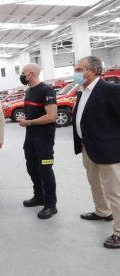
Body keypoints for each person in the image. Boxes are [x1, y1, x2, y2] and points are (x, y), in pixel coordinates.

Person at [72, 56, 120, 249]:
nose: (75, 73)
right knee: (95, 183)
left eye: (79, 69)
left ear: (92, 71)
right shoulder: (82, 92)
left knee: (114, 191)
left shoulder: (110, 90)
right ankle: (102, 211)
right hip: (88, 147)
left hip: (109, 149)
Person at [18, 63, 58, 219]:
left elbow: (51, 116)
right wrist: (26, 119)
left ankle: (50, 205)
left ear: (31, 74)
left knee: (45, 169)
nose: (21, 76)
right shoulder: (29, 91)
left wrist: (29, 122)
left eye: (23, 73)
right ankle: (39, 196)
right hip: (31, 138)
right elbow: (34, 114)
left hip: (44, 139)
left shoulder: (46, 90)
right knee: (32, 167)